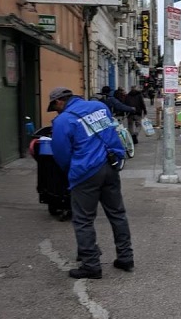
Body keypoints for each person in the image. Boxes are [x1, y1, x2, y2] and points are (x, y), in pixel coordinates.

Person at [48, 87, 135, 279]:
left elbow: (61, 153)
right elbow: (112, 133)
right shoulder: (99, 106)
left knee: (83, 219)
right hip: (110, 165)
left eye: (55, 106)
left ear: (60, 101)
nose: (56, 110)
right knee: (117, 214)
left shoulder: (63, 120)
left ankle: (91, 265)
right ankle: (126, 257)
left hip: (86, 172)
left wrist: (73, 169)